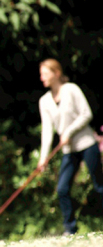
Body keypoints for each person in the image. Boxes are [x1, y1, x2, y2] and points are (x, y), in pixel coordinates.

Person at [38, 58, 103, 234]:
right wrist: (43, 158)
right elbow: (47, 131)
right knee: (62, 189)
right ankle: (70, 228)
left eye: (45, 73)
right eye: (41, 74)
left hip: (87, 144)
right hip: (69, 150)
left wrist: (68, 132)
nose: (42, 77)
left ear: (56, 73)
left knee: (99, 186)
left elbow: (86, 114)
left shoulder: (71, 89)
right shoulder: (44, 101)